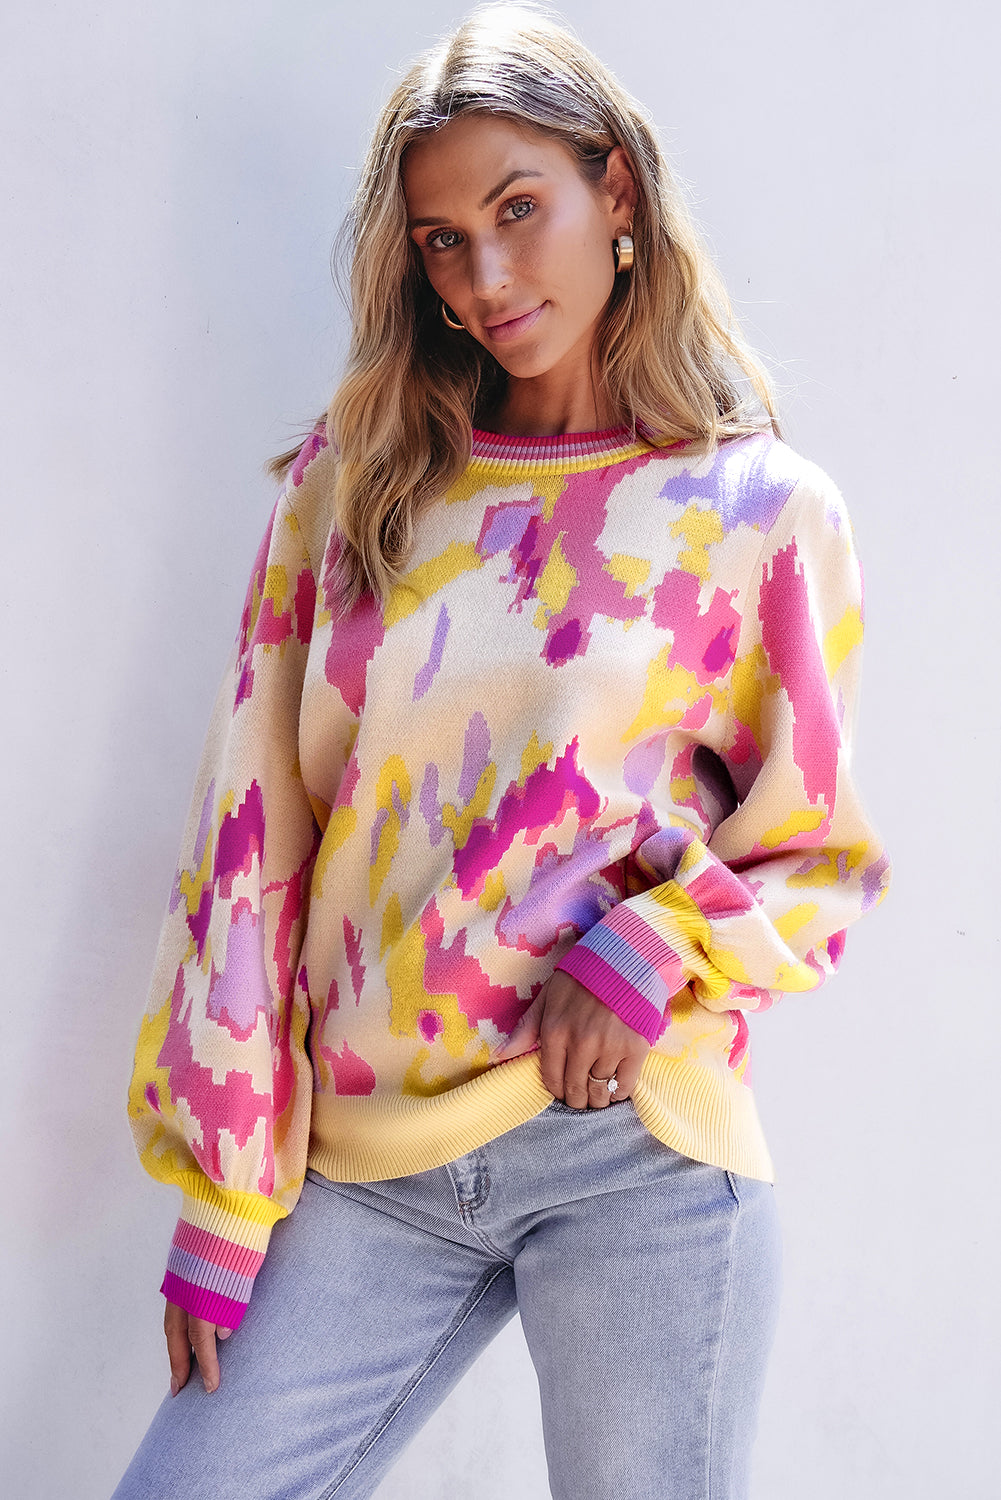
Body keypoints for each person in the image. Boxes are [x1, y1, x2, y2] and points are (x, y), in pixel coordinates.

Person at [113, 4, 890, 1497]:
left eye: (518, 209)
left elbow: (821, 854)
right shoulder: (355, 492)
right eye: (441, 240)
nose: (483, 276)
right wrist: (226, 1187)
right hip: (368, 1166)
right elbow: (252, 839)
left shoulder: (761, 513)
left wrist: (653, 947)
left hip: (631, 1152)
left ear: (616, 187)